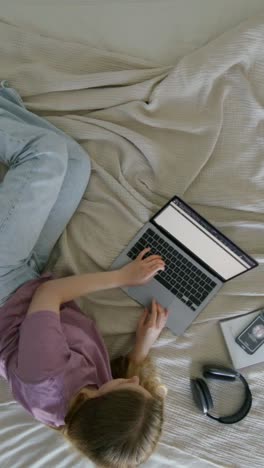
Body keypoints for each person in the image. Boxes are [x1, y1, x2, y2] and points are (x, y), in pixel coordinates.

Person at [0, 81, 169, 468]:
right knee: (75, 164)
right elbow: (125, 383)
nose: (135, 379)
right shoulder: (91, 404)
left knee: (44, 156)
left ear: (96, 398)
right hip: (28, 279)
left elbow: (49, 297)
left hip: (6, 283)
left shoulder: (46, 381)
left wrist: (122, 278)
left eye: (131, 386)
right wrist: (143, 345)